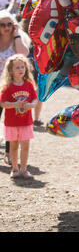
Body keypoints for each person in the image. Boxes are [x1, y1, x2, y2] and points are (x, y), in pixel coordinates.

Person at [0, 54, 38, 179]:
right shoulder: (7, 86)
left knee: (25, 144)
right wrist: (14, 104)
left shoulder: (28, 84)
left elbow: (35, 100)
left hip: (26, 121)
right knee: (14, 146)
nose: (21, 69)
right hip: (11, 122)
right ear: (10, 70)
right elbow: (2, 103)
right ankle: (15, 169)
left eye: (23, 67)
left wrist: (31, 105)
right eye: (17, 67)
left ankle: (24, 169)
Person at [0, 9, 30, 164]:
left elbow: (24, 53)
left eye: (9, 24)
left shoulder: (16, 40)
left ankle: (8, 153)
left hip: (13, 88)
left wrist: (17, 33)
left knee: (11, 121)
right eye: (2, 24)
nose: (6, 27)